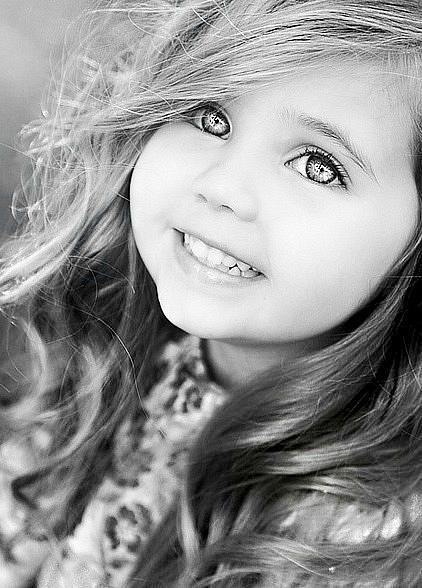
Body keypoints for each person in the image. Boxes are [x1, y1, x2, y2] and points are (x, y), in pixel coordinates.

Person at [0, 0, 421, 585]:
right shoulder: (107, 335)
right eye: (210, 117)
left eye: (317, 166)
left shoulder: (368, 543)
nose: (222, 188)